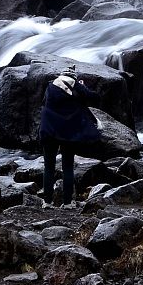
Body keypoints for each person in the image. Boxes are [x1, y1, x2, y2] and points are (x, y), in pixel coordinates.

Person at [39, 68, 101, 207]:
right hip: (68, 133)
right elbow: (95, 98)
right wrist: (82, 86)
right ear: (73, 77)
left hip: (49, 131)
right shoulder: (77, 86)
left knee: (48, 166)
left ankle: (47, 202)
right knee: (67, 167)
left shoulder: (50, 86)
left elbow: (43, 104)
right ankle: (67, 203)